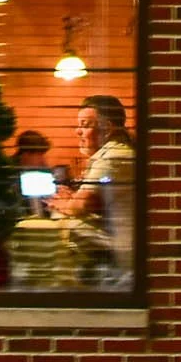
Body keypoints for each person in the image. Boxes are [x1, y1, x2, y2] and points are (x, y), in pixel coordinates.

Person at [50, 94, 136, 285]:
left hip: (117, 260)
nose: (77, 132)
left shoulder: (112, 156)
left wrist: (66, 204)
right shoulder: (114, 153)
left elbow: (81, 205)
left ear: (107, 128)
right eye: (79, 125)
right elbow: (97, 201)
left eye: (85, 125)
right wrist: (74, 201)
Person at [11, 129, 54, 218]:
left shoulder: (42, 171)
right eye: (39, 155)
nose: (42, 160)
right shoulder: (9, 172)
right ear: (26, 154)